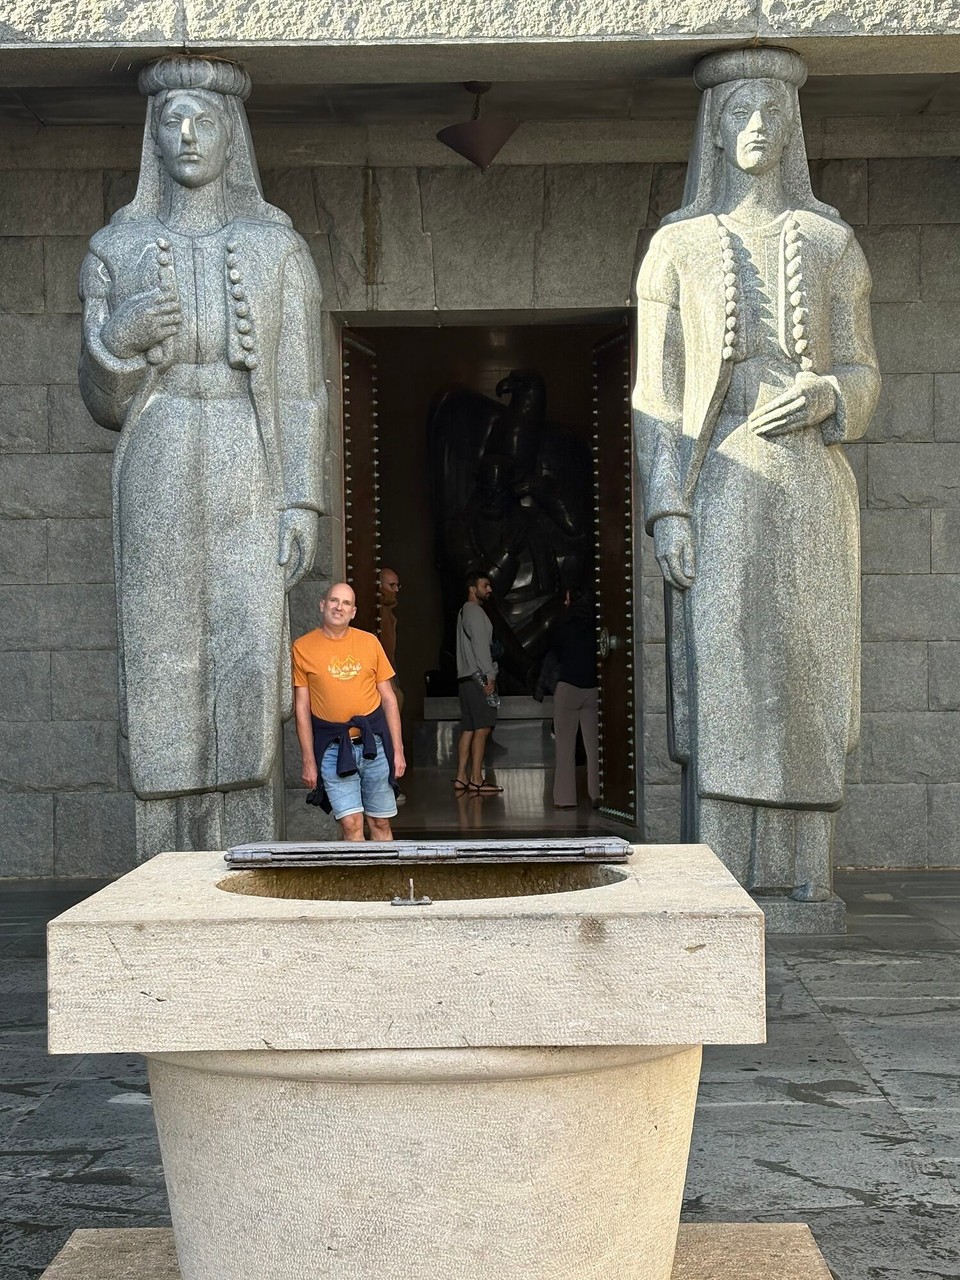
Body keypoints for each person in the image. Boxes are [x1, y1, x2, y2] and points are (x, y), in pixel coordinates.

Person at [633, 47, 880, 903]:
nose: (757, 127)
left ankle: (805, 873)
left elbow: (863, 369)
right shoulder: (677, 247)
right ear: (714, 128)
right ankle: (726, 868)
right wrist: (668, 506)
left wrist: (829, 395)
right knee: (728, 678)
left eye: (773, 111)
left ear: (793, 130)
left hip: (811, 481)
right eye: (740, 110)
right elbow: (656, 393)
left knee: (808, 670)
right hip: (721, 477)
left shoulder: (831, 243)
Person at [78, 55, 325, 859]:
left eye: (204, 119)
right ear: (152, 138)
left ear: (232, 136)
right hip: (158, 444)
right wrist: (119, 341)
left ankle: (242, 842)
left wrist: (301, 500)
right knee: (161, 642)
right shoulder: (116, 248)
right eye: (171, 120)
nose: (187, 135)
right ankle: (164, 849)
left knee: (247, 641)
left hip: (246, 448)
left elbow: (302, 388)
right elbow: (102, 400)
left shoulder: (275, 249)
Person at [293, 583, 405, 841]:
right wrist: (308, 760)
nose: (339, 607)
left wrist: (398, 751)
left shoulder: (370, 643)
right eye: (334, 600)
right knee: (351, 824)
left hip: (374, 745)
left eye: (346, 603)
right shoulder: (302, 647)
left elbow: (389, 699)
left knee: (380, 822)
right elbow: (302, 707)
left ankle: (383, 870)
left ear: (353, 612)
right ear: (322, 605)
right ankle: (359, 871)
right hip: (333, 748)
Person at [542, 590, 599, 809]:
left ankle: (565, 798)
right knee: (594, 747)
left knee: (565, 747)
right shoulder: (596, 628)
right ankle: (597, 794)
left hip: (567, 688)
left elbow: (553, 652)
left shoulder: (563, 626)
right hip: (592, 689)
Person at [453, 573, 502, 795]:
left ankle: (461, 777)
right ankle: (476, 778)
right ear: (472, 588)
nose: (489, 589)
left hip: (465, 678)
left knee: (469, 727)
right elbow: (481, 647)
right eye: (485, 585)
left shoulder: (463, 611)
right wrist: (490, 675)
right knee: (482, 728)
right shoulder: (475, 612)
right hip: (478, 677)